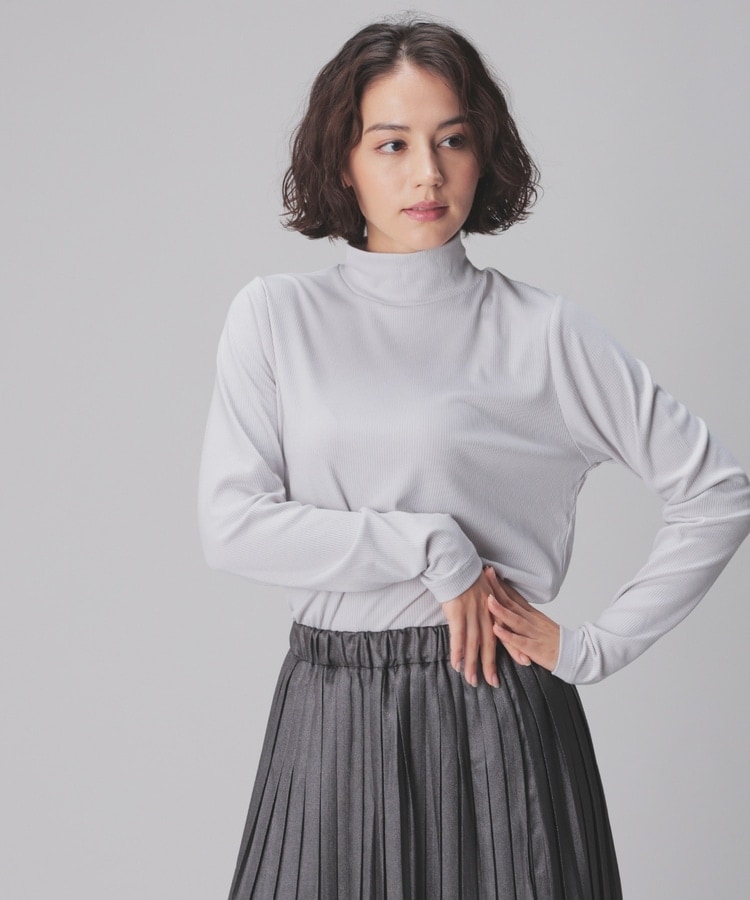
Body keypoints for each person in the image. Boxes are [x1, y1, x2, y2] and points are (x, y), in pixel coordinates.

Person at [197, 16, 750, 900]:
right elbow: (232, 527)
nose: (427, 172)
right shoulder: (275, 318)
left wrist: (595, 649)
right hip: (327, 713)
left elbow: (719, 491)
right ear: (343, 161)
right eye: (392, 144)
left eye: (452, 140)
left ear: (482, 154)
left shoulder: (542, 333)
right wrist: (430, 546)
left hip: (491, 711)